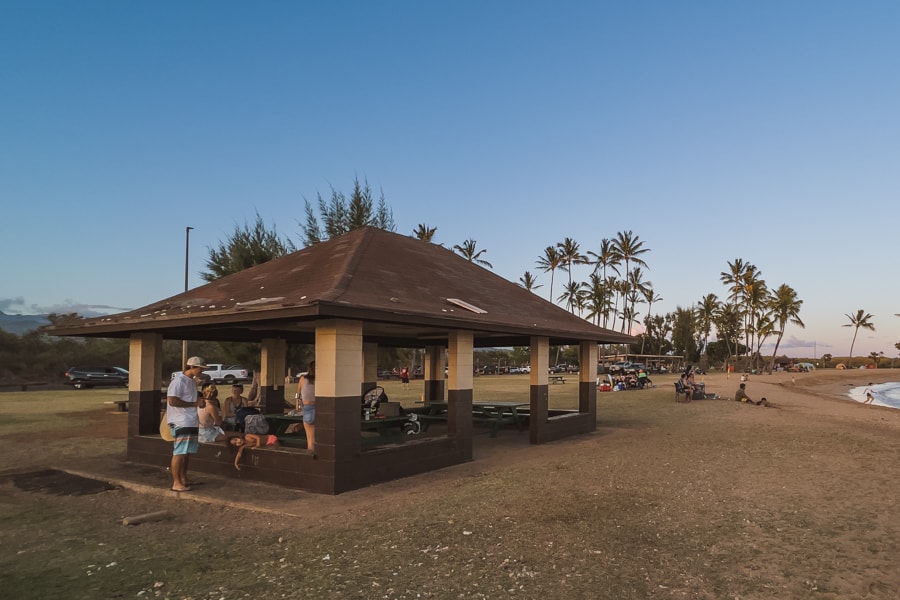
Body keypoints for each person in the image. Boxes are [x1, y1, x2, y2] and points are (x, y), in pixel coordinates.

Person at [166, 356, 209, 492]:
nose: (201, 371)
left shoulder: (191, 381)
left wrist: (198, 401)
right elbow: (172, 401)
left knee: (186, 452)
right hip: (181, 421)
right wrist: (194, 403)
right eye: (200, 368)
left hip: (190, 420)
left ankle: (183, 478)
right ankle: (176, 482)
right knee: (179, 452)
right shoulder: (178, 381)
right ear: (191, 367)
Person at [295, 360, 316, 451]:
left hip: (307, 408)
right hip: (318, 407)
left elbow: (298, 394)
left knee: (310, 436)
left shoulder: (303, 379)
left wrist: (297, 405)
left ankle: (310, 451)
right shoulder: (321, 379)